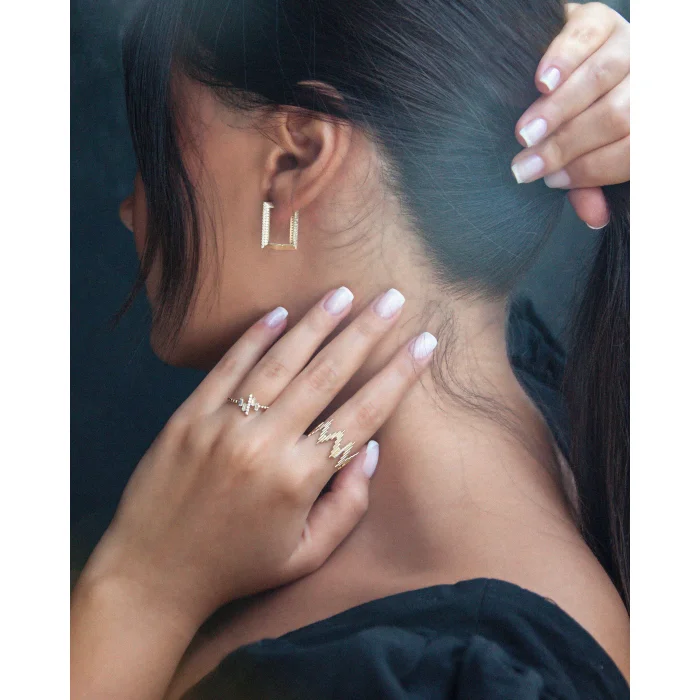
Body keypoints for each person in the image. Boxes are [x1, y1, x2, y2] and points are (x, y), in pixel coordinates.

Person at [71, 1, 630, 698]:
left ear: (294, 159)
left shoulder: (444, 681)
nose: (130, 207)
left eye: (154, 152)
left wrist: (143, 591)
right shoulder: (573, 414)